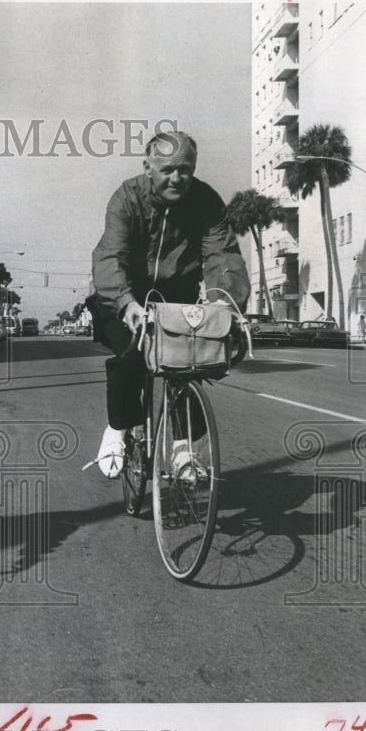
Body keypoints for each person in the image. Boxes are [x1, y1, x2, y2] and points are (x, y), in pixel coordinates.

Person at [89, 131, 250, 477]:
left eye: (185, 169)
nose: (176, 178)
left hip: (178, 295)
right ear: (148, 167)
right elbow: (109, 255)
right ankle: (118, 428)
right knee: (132, 353)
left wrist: (226, 305)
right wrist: (124, 301)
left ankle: (184, 450)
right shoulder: (127, 198)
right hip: (123, 293)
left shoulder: (206, 202)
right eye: (167, 170)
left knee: (187, 366)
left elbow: (222, 257)